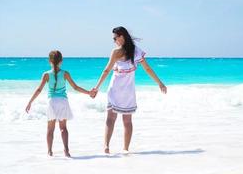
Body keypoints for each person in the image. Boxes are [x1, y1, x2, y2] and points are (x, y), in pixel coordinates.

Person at [91, 26, 167, 154]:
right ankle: (125, 149)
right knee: (127, 121)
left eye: (115, 38)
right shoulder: (136, 51)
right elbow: (147, 69)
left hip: (115, 89)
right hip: (128, 91)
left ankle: (106, 146)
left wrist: (96, 87)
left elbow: (106, 71)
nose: (114, 41)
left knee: (110, 118)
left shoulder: (116, 52)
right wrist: (159, 83)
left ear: (122, 36)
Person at [25, 50, 93, 157]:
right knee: (63, 128)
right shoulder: (65, 73)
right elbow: (75, 87)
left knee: (50, 129)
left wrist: (30, 102)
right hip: (63, 102)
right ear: (61, 61)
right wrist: (89, 92)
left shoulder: (46, 74)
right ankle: (66, 150)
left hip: (51, 102)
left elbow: (39, 90)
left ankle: (49, 151)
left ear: (49, 61)